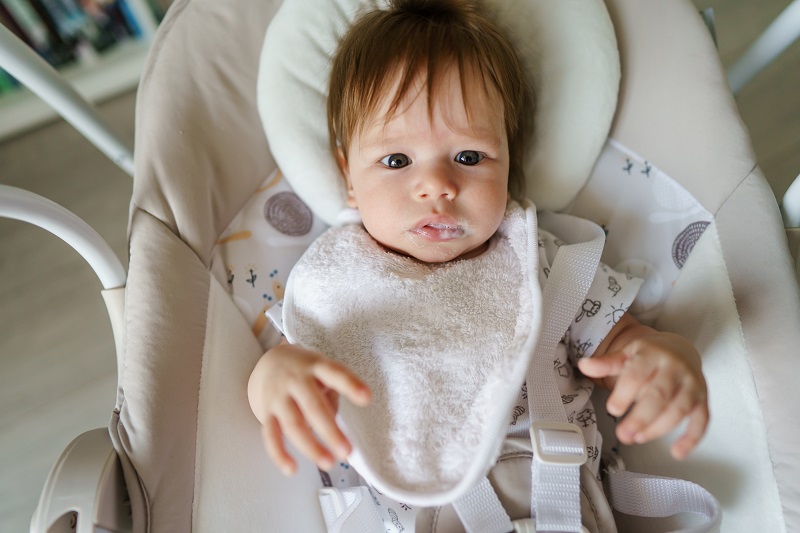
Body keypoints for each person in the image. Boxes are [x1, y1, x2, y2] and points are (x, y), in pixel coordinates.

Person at [248, 0, 708, 487]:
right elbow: (276, 371)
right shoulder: (336, 280)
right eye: (397, 160)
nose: (437, 185)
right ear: (348, 177)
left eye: (469, 155)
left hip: (551, 510)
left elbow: (622, 347)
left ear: (510, 163)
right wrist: (276, 378)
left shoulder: (543, 266)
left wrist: (664, 360)